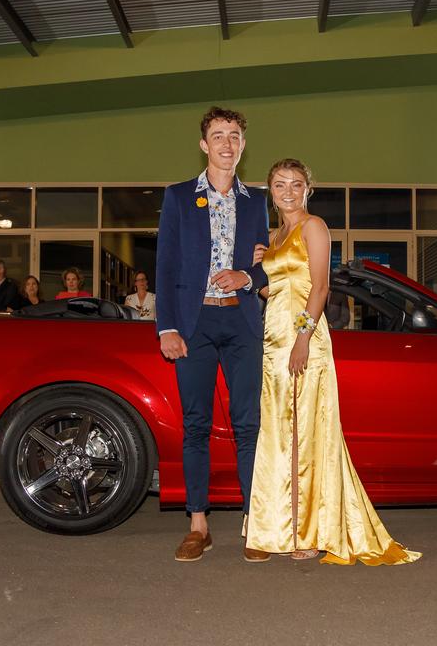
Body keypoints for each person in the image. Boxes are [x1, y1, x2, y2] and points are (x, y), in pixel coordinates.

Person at [245, 158, 419, 565]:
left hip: (304, 340)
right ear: (270, 190)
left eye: (296, 183)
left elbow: (320, 288)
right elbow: (278, 291)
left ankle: (308, 531)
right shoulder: (275, 235)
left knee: (305, 435)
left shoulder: (314, 227)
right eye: (280, 184)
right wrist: (260, 272)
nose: (288, 190)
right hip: (273, 343)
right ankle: (275, 528)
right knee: (276, 435)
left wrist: (303, 338)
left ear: (308, 189)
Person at [156, 106, 271, 563]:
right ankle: (198, 524)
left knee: (249, 427)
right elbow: (165, 264)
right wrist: (167, 326)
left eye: (235, 135)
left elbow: (268, 266)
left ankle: (253, 523)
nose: (227, 142)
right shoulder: (179, 196)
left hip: (242, 324)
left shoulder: (257, 200)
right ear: (204, 145)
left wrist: (248, 275)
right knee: (196, 426)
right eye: (218, 135)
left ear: (243, 145)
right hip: (194, 324)